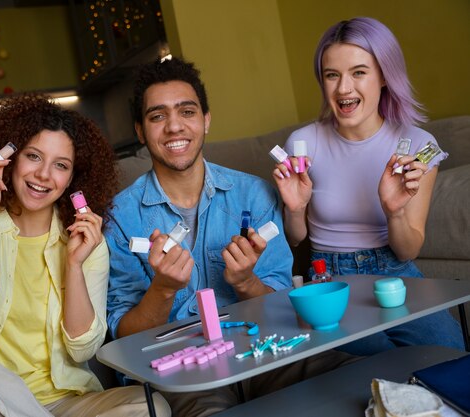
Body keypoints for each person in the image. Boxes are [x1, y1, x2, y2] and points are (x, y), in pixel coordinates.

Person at [105, 57, 355, 417]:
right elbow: (124, 335)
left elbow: (282, 306)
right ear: (141, 131)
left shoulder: (254, 195)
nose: (174, 126)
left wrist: (246, 281)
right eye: (157, 116)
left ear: (206, 120)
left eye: (187, 112)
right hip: (181, 371)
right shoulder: (120, 218)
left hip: (263, 351)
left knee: (351, 376)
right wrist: (162, 289)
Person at [0, 93, 170, 417]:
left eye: (61, 165)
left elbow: (83, 351)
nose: (44, 175)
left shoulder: (87, 244)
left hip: (70, 402)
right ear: (9, 159)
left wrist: (75, 265)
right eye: (34, 156)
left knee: (153, 407)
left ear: (72, 180)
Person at [274, 17, 464, 356]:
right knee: (370, 366)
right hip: (328, 278)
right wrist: (295, 208)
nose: (344, 88)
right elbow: (296, 238)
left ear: (385, 78)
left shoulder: (418, 144)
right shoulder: (303, 143)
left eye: (359, 72)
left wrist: (393, 211)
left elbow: (407, 250)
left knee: (449, 354)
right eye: (332, 75)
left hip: (396, 272)